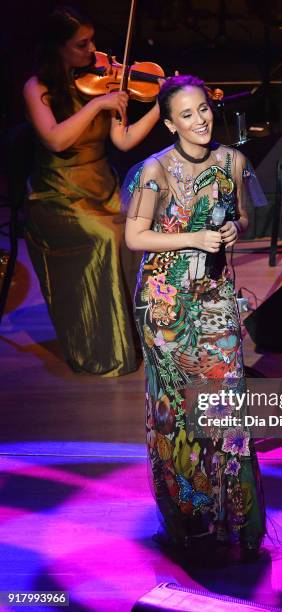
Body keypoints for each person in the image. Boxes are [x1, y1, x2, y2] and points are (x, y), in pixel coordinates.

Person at [124, 75, 266, 559]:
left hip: (216, 297)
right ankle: (188, 521)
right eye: (187, 114)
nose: (200, 120)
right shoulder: (154, 171)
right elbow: (135, 237)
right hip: (166, 304)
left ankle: (236, 523)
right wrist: (192, 238)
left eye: (203, 109)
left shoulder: (234, 161)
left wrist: (232, 229)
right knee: (178, 416)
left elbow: (246, 218)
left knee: (227, 406)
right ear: (169, 123)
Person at [23, 5, 160, 376]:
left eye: (92, 40)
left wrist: (159, 108)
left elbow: (124, 139)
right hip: (57, 196)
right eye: (82, 44)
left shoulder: (100, 80)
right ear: (58, 47)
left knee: (142, 230)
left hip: (103, 187)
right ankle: (105, 349)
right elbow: (54, 140)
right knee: (106, 237)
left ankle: (144, 339)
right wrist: (98, 103)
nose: (93, 51)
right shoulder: (37, 88)